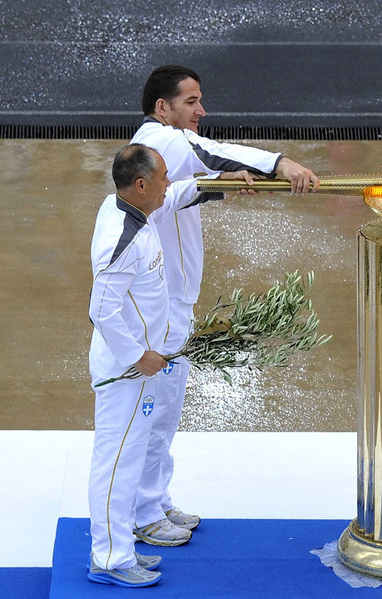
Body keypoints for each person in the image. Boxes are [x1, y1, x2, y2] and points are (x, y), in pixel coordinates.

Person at [128, 65, 321, 546]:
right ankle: (142, 512)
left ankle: (154, 498)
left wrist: (225, 182)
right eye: (191, 102)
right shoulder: (162, 140)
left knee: (165, 411)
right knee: (153, 411)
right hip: (158, 310)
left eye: (200, 100)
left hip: (172, 304)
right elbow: (215, 152)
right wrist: (280, 164)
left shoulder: (160, 151)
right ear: (162, 108)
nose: (201, 110)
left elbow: (186, 192)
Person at [87, 144, 248, 586]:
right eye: (161, 179)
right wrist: (139, 356)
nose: (168, 186)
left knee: (131, 455)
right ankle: (110, 559)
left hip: (142, 367)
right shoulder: (120, 237)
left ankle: (123, 544)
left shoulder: (135, 208)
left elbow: (175, 195)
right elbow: (102, 310)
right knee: (116, 462)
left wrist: (218, 184)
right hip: (127, 371)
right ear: (140, 185)